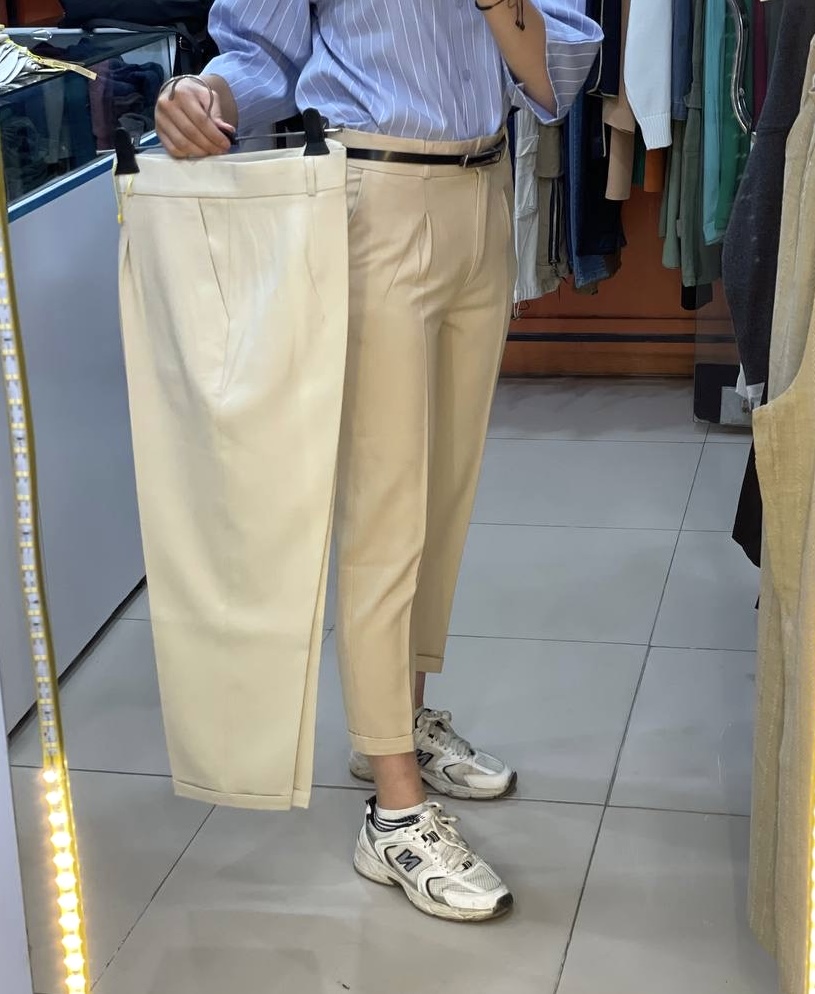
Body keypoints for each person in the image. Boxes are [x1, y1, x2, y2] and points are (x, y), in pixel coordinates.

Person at [154, 0, 601, 922]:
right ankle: (394, 809)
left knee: (442, 495)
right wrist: (206, 93)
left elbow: (554, 74)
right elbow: (261, 51)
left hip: (484, 188)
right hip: (371, 192)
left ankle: (395, 718)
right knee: (386, 503)